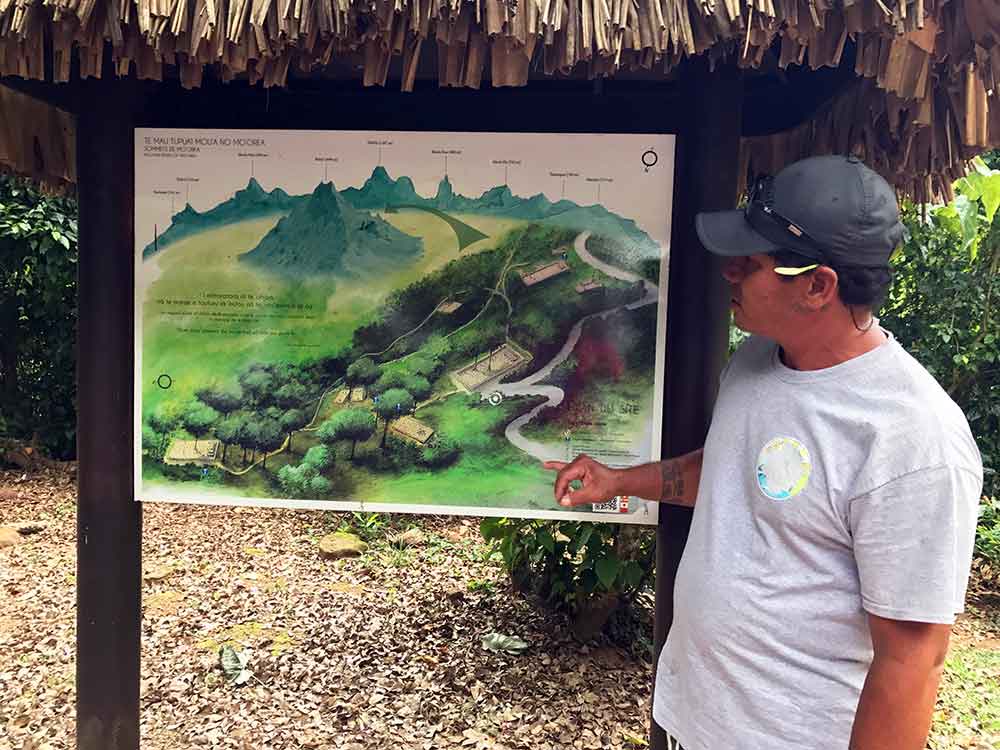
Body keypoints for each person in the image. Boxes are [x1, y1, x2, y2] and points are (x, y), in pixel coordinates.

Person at [545, 155, 983, 750]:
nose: (729, 271)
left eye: (750, 263)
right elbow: (727, 471)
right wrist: (619, 480)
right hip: (691, 720)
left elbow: (912, 659)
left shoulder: (912, 437)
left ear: (817, 286)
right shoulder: (756, 358)